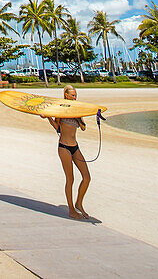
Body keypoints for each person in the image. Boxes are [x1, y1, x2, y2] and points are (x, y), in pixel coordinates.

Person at [46, 85, 91, 219]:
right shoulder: (60, 109)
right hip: (64, 147)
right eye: (72, 95)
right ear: (66, 95)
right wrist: (48, 117)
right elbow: (57, 127)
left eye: (75, 95)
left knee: (87, 177)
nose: (75, 97)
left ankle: (79, 203)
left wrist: (78, 117)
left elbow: (83, 127)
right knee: (70, 179)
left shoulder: (77, 109)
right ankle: (71, 210)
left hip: (75, 147)